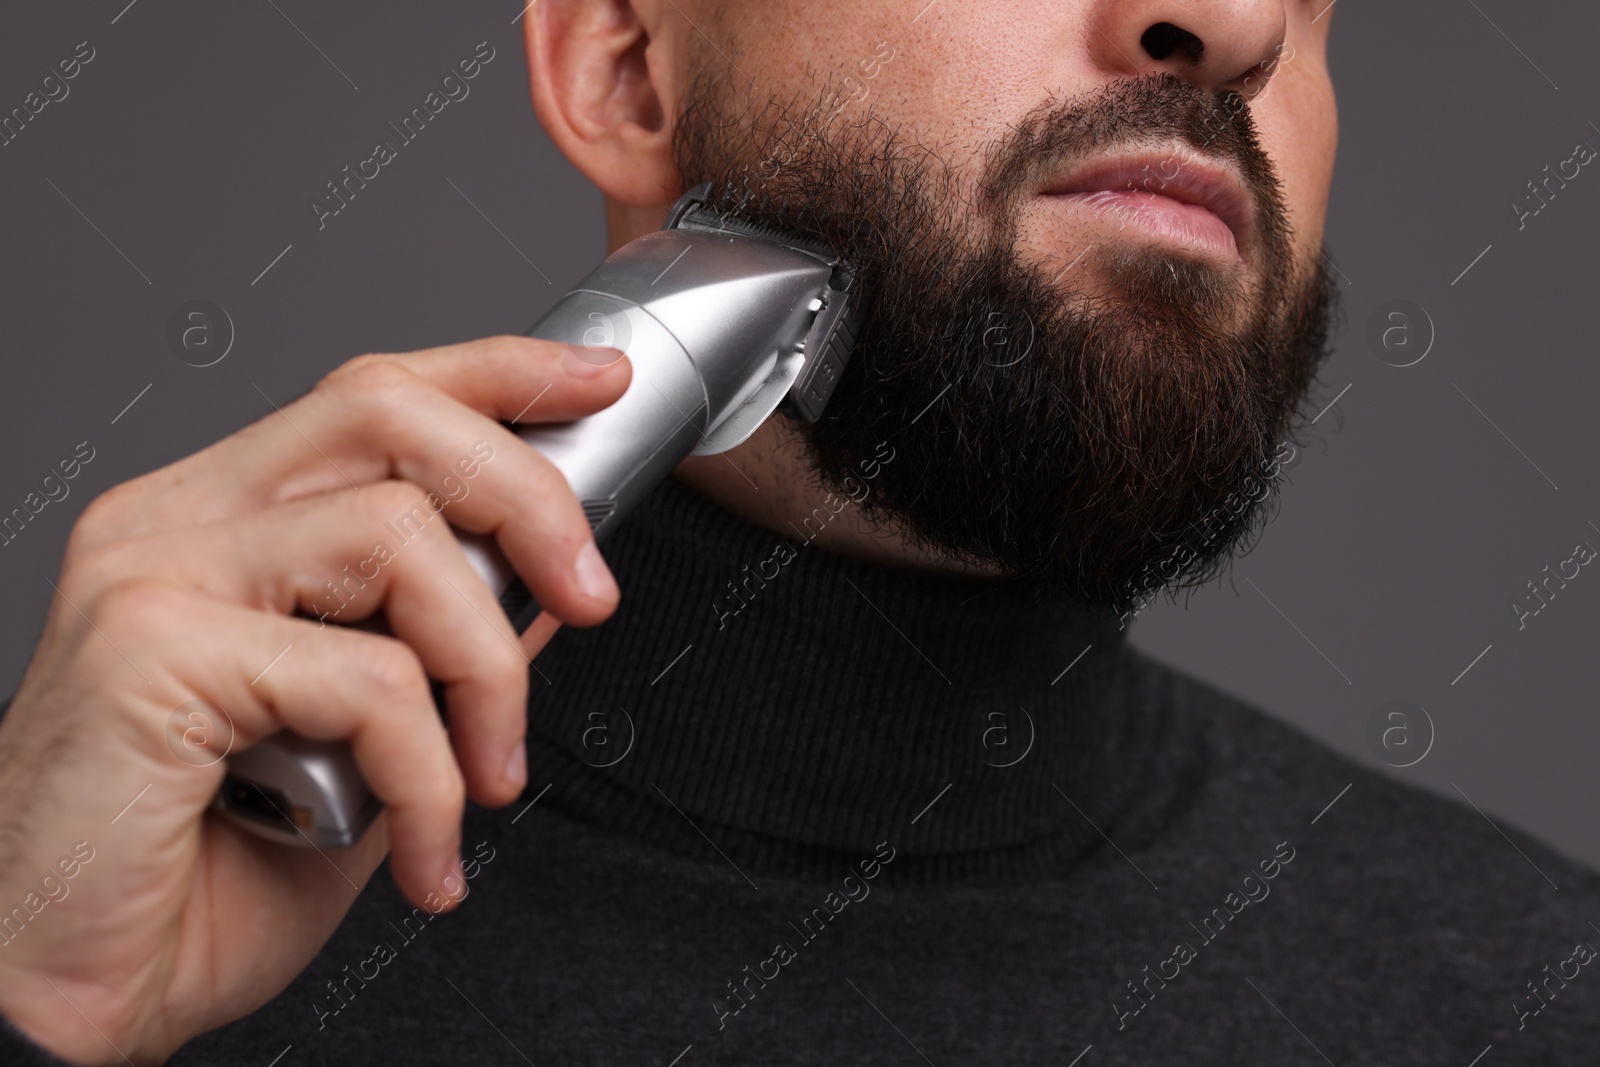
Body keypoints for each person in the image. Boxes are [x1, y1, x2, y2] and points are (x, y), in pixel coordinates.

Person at [1, 1, 1595, 1063]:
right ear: (627, 70)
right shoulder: (89, 897)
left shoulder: (1531, 995)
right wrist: (37, 1011)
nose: (1235, 21)